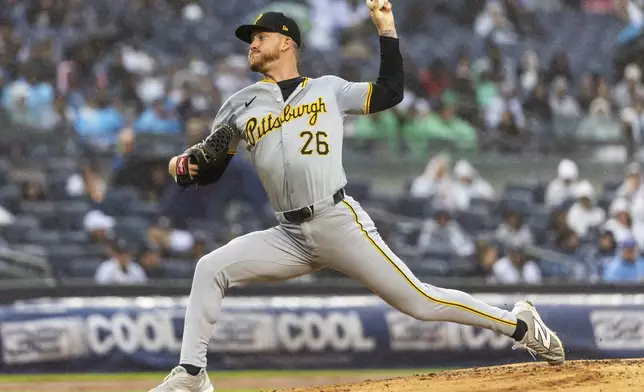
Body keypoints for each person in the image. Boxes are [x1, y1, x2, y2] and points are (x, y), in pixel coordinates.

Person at [151, 6, 564, 391]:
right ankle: (192, 374)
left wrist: (386, 30)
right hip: (288, 234)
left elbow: (389, 92)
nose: (252, 45)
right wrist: (182, 168)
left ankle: (521, 326)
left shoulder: (328, 89)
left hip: (337, 219)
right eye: (250, 40)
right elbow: (210, 166)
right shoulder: (239, 104)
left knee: (418, 301)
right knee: (211, 267)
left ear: (286, 42)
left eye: (259, 37)